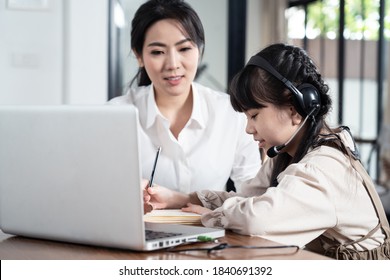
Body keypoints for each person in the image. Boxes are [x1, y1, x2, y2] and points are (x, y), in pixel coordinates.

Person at [143, 43, 390, 260]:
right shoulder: (287, 153)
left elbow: (257, 218)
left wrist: (208, 216)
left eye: (254, 115)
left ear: (295, 109)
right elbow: (248, 200)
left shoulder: (323, 167)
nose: (249, 128)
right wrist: (182, 199)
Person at [108, 0, 260, 193]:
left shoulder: (231, 113)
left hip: (212, 223)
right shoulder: (116, 116)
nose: (172, 64)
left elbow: (253, 195)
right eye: (157, 52)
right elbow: (100, 191)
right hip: (138, 225)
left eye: (184, 49)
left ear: (199, 50)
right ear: (139, 56)